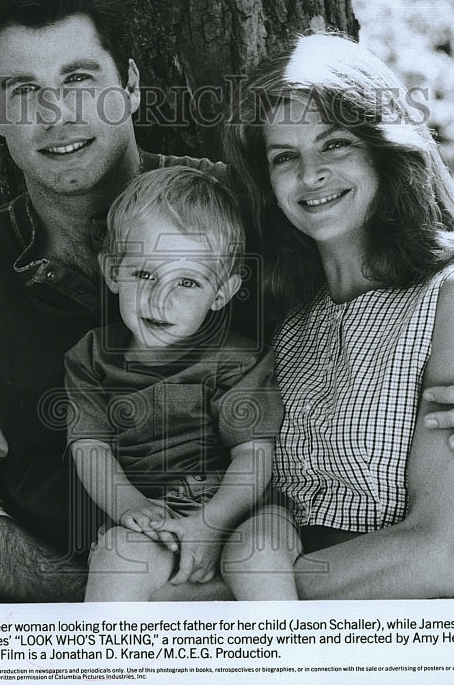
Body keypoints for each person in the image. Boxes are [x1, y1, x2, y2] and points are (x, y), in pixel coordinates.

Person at [0, 0, 454, 602]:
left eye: (79, 79)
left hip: (269, 581)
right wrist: (105, 602)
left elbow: (420, 274)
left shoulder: (247, 209)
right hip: (95, 612)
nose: (57, 114)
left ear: (128, 85)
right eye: (24, 92)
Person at [224, 31, 454, 598]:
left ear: (383, 149)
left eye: (335, 145)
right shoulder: (291, 322)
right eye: (286, 157)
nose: (311, 175)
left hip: (428, 641)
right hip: (300, 637)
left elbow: (438, 557)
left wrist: (211, 606)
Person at [66, 166, 297, 601]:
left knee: (260, 556)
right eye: (145, 274)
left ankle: (286, 665)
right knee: (117, 557)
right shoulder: (91, 358)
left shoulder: (238, 360)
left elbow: (253, 455)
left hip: (245, 511)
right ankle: (108, 670)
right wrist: (131, 508)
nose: (160, 298)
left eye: (187, 281)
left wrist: (212, 523)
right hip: (150, 514)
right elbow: (90, 448)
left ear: (222, 292)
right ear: (113, 271)